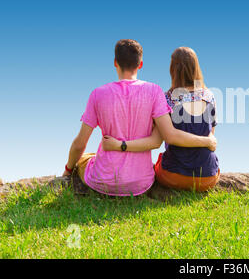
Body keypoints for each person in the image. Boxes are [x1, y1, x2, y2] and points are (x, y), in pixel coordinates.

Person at [63, 40, 216, 196]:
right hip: (146, 182)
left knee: (86, 158)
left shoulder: (98, 94)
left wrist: (68, 170)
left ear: (115, 62)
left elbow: (79, 143)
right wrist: (208, 141)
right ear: (140, 64)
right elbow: (159, 141)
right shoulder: (159, 92)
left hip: (109, 180)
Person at [102, 47, 219, 192]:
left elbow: (160, 138)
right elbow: (210, 135)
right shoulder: (209, 96)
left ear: (173, 69)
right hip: (207, 178)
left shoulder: (168, 98)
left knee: (159, 163)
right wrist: (207, 141)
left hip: (173, 175)